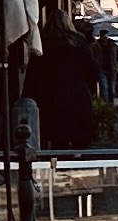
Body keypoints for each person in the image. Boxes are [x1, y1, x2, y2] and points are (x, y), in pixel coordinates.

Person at [30, 11, 97, 156]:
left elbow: (33, 74)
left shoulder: (43, 43)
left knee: (57, 139)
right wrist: (88, 89)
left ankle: (59, 165)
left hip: (51, 97)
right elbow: (92, 70)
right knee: (79, 138)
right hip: (77, 94)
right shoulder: (79, 42)